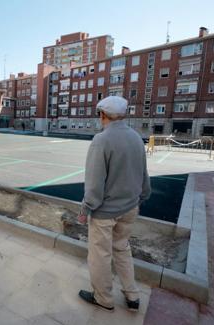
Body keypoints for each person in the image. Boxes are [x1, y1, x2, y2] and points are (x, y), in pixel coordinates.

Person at [77, 96, 151, 312]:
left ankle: (103, 298)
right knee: (122, 248)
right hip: (130, 207)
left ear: (103, 115)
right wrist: (143, 196)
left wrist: (86, 208)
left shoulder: (102, 140)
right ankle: (132, 295)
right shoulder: (137, 138)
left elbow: (94, 183)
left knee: (100, 254)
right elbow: (144, 174)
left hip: (105, 212)